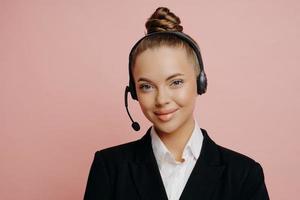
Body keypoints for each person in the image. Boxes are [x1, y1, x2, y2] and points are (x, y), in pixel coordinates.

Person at [84, 7, 269, 200]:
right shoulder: (110, 167)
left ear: (200, 83)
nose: (162, 99)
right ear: (134, 92)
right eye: (147, 86)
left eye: (176, 82)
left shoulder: (244, 175)